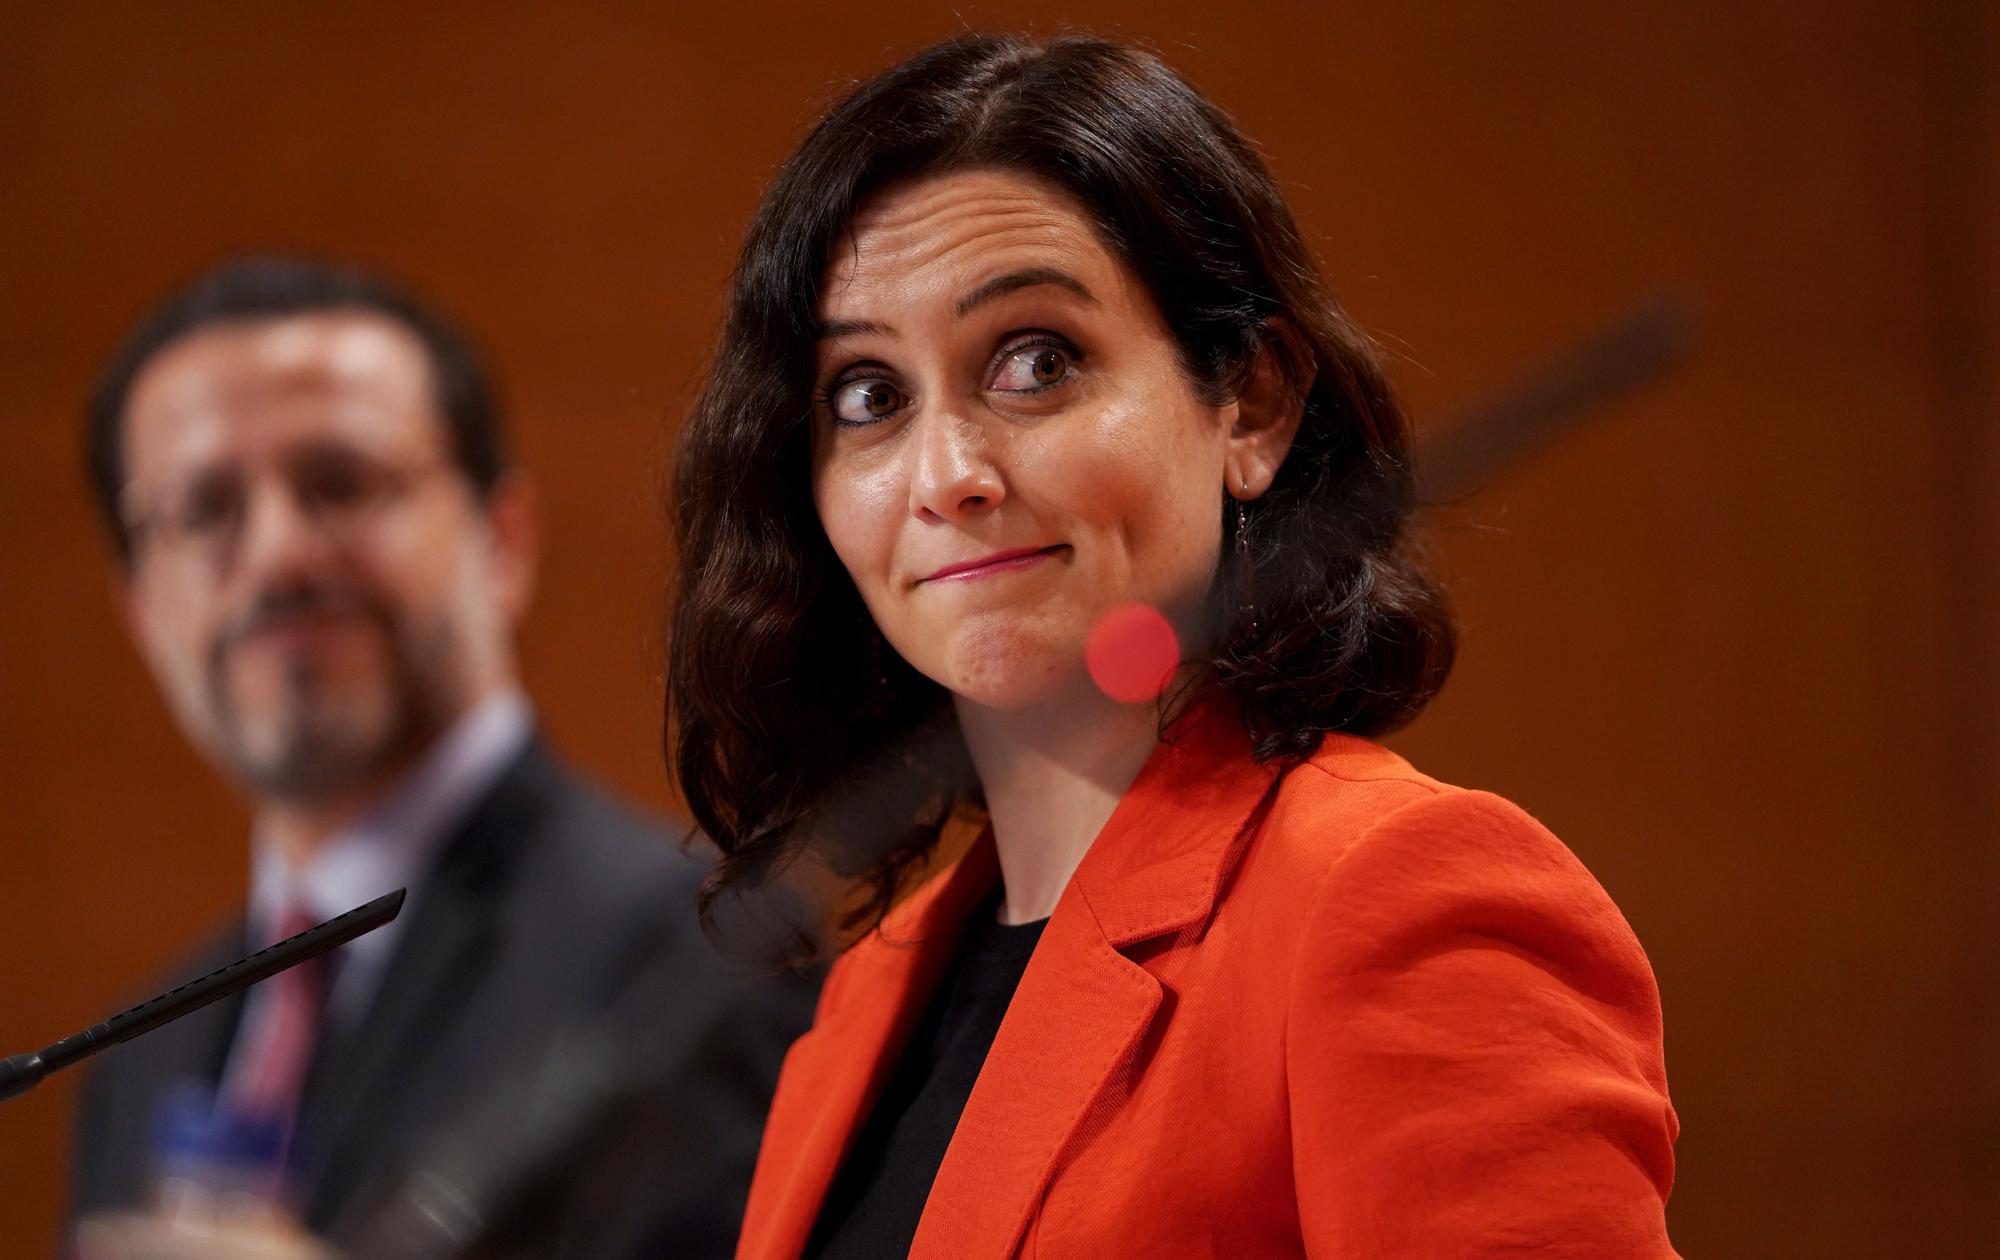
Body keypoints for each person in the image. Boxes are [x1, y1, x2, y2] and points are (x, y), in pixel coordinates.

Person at [665, 34, 1681, 1259]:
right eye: (868, 395)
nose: (947, 477)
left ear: (1248, 404)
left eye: (1034, 362)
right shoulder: (863, 997)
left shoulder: (1397, 898)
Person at [72, 255, 812, 1258]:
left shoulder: (692, 959)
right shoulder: (138, 1056)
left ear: (500, 541)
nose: (279, 554)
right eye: (204, 510)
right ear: (140, 606)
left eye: (341, 482)